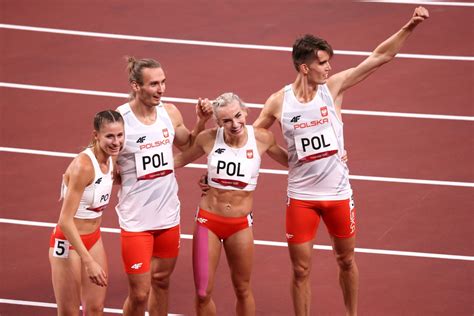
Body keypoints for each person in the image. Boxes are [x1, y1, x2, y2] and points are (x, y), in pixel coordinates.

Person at [252, 7, 430, 316]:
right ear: (303, 67)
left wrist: (409, 27)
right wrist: (288, 160)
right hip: (302, 198)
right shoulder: (279, 101)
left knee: (346, 260)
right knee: (300, 270)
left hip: (337, 195)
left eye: (328, 61)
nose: (328, 67)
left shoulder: (332, 89)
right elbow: (256, 136)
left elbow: (379, 57)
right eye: (321, 63)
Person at [174, 92, 288, 315]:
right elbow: (179, 160)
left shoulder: (262, 138)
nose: (235, 124)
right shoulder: (208, 138)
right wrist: (135, 168)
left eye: (238, 116)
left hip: (240, 225)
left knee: (243, 289)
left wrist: (332, 156)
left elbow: (291, 161)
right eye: (226, 120)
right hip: (208, 221)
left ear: (245, 112)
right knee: (202, 292)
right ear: (218, 122)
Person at [115, 57, 212, 316]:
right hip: (136, 219)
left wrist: (201, 122)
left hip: (168, 215)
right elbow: (102, 159)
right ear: (136, 86)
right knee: (139, 293)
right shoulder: (120, 120)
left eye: (163, 82)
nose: (161, 89)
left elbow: (188, 145)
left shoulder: (169, 112)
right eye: (154, 84)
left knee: (161, 281)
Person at [48, 110, 124, 315]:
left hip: (93, 238)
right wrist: (88, 262)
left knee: (95, 308)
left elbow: (111, 181)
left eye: (120, 135)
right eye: (109, 136)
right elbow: (65, 220)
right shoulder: (83, 166)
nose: (116, 142)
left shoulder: (111, 158)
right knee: (69, 313)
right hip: (68, 243)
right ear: (96, 136)